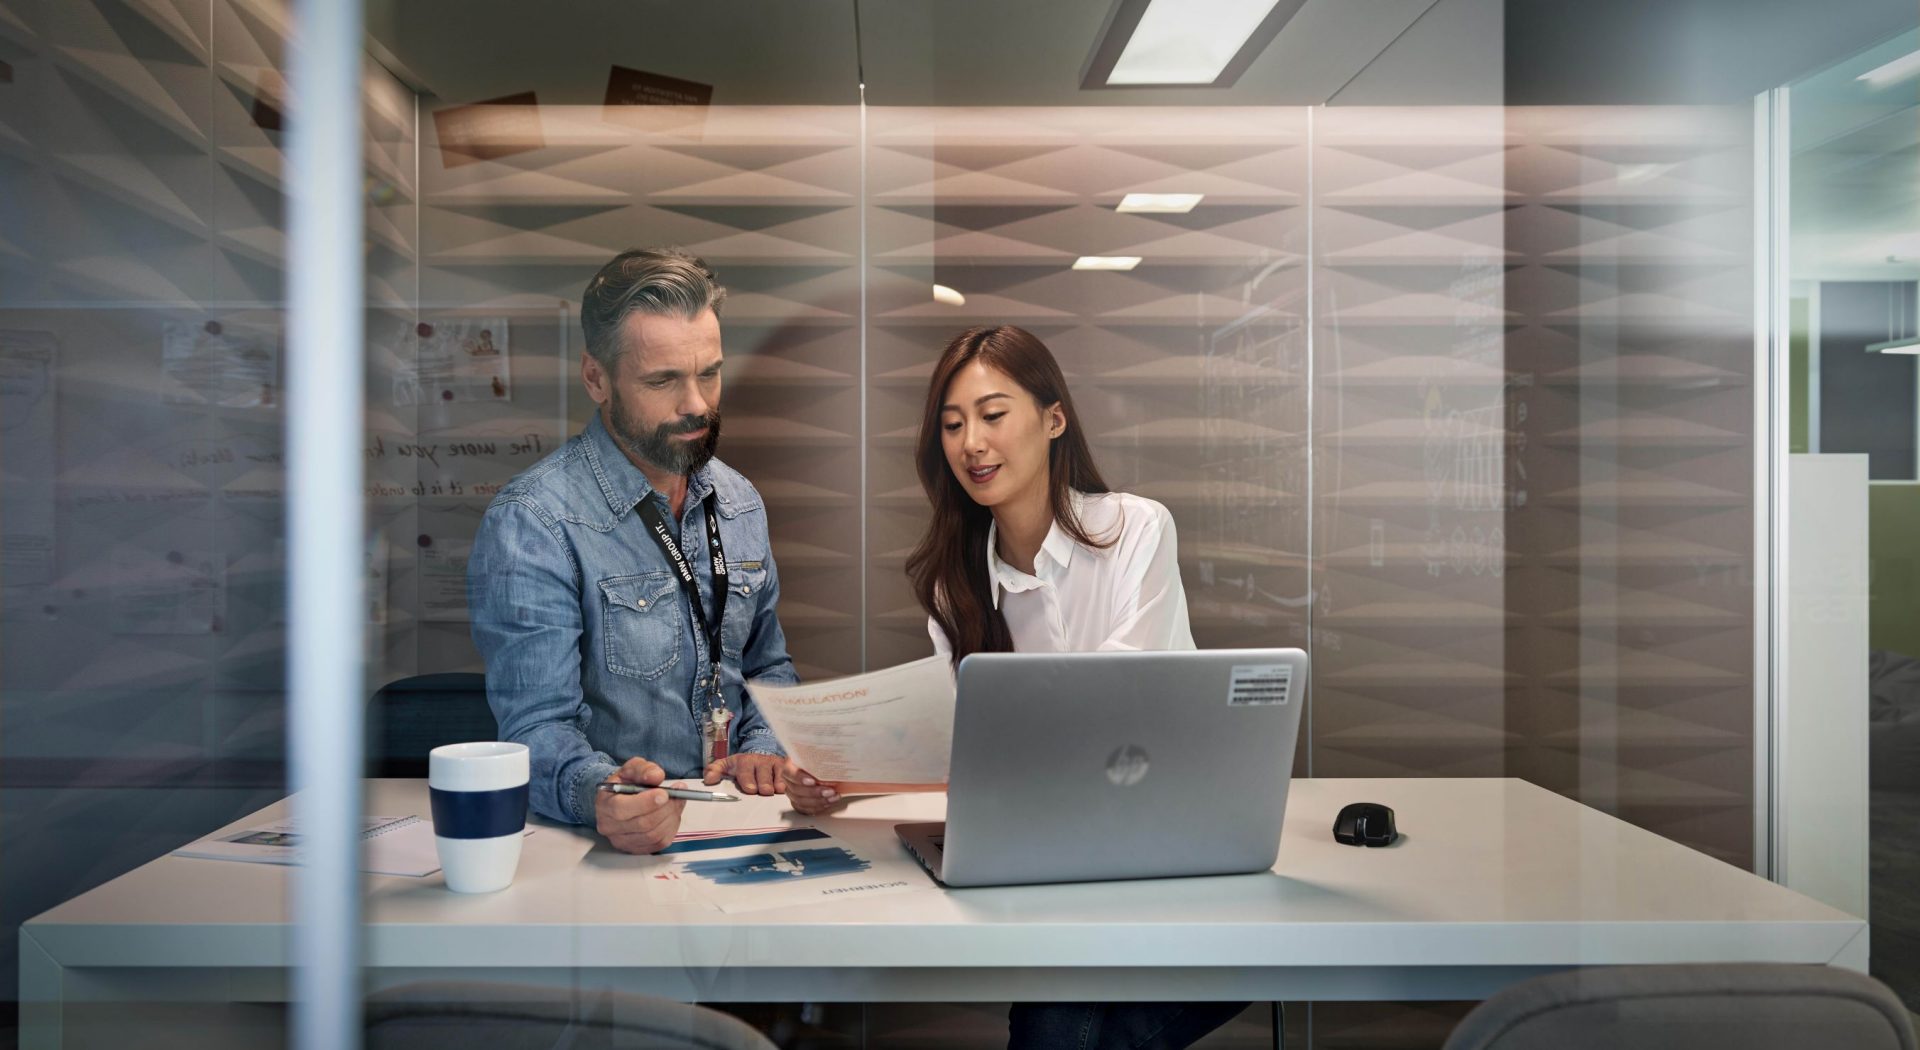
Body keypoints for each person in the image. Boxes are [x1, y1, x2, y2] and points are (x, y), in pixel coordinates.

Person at [905, 325, 1241, 1050]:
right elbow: (966, 757)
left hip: (1173, 852)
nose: (972, 444)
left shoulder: (1133, 530)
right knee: (1068, 1014)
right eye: (954, 424)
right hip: (1044, 871)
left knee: (1060, 1016)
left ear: (1053, 420)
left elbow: (1119, 717)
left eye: (993, 416)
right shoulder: (951, 584)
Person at [467, 247, 830, 856]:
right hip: (605, 846)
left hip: (741, 830)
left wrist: (765, 747)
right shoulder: (531, 522)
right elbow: (535, 729)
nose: (696, 404)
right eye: (663, 380)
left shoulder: (739, 501)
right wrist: (602, 793)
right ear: (596, 378)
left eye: (709, 373)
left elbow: (766, 666)